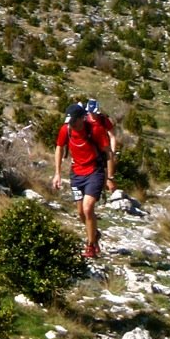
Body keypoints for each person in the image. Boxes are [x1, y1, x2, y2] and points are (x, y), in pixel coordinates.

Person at [53, 102, 116, 258]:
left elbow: (108, 153)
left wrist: (109, 177)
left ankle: (90, 246)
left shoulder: (96, 130)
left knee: (88, 208)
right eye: (70, 122)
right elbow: (59, 148)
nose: (72, 125)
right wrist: (57, 173)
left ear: (82, 118)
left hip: (94, 171)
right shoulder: (65, 130)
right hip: (76, 174)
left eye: (74, 121)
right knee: (81, 212)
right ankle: (94, 234)